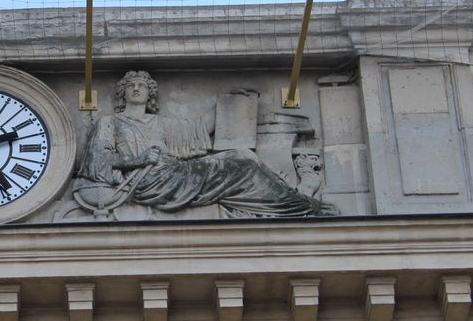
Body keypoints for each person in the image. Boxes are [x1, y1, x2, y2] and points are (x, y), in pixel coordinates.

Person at [74, 71, 335, 218]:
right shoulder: (110, 121)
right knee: (243, 164)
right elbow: (98, 159)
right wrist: (139, 159)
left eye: (143, 85)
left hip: (174, 172)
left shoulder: (160, 123)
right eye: (131, 85)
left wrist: (228, 105)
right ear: (123, 93)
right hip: (148, 180)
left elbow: (194, 134)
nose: (137, 89)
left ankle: (291, 202)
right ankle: (298, 206)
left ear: (150, 94)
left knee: (244, 157)